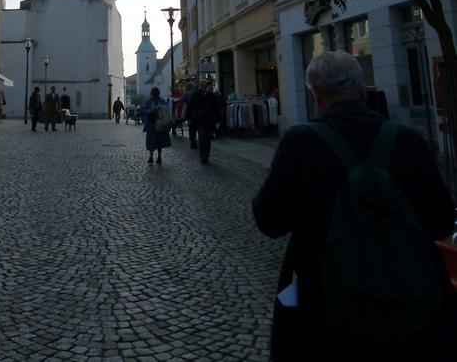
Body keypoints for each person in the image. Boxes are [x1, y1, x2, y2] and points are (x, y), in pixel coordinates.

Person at [252, 50, 457, 362]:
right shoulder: (408, 140)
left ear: (315, 94)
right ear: (362, 89)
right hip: (410, 305)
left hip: (326, 308)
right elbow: (442, 221)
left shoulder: (301, 143)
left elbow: (269, 220)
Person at [184, 80, 220, 164]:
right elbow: (190, 105)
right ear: (200, 86)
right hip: (199, 120)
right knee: (202, 137)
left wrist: (216, 117)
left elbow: (216, 106)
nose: (204, 87)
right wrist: (188, 117)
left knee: (207, 139)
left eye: (205, 85)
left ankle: (206, 155)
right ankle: (203, 156)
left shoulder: (211, 95)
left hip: (209, 120)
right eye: (203, 85)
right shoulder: (196, 95)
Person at [142, 87, 171, 164]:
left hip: (160, 124)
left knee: (159, 141)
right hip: (151, 124)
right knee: (151, 142)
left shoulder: (161, 101)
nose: (154, 97)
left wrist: (159, 109)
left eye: (156, 95)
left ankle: (159, 156)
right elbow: (144, 109)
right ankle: (151, 156)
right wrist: (150, 111)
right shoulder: (149, 101)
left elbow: (166, 109)